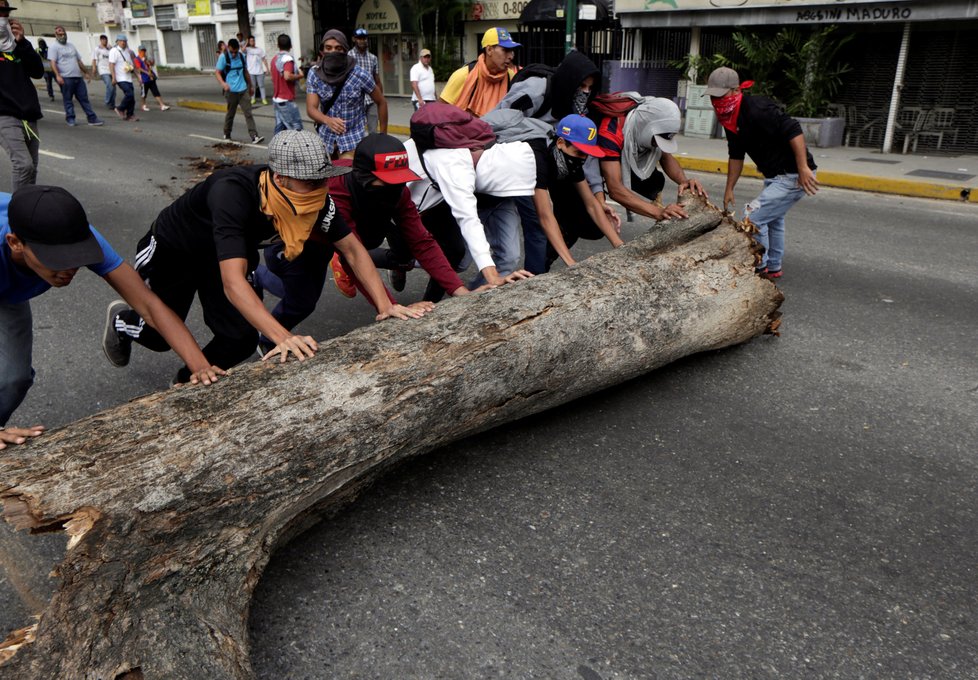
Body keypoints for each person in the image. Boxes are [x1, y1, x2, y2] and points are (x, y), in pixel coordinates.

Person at [106, 130, 424, 385]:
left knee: (241, 339)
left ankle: (188, 384)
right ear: (280, 177)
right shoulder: (231, 193)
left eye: (322, 180)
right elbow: (233, 284)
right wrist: (282, 337)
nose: (319, 189)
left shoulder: (318, 201)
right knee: (159, 336)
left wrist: (387, 306)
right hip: (174, 252)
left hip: (226, 256)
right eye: (310, 182)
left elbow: (352, 249)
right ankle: (123, 320)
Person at [0, 185, 223, 449]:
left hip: (9, 293)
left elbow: (149, 305)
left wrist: (200, 367)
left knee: (13, 378)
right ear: (15, 242)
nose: (69, 269)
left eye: (76, 258)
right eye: (57, 259)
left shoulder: (74, 233)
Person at [253, 134, 475, 351]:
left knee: (302, 294)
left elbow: (422, 241)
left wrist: (460, 291)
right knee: (300, 300)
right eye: (386, 183)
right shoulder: (336, 191)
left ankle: (262, 282)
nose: (394, 190)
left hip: (333, 244)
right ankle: (266, 330)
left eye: (399, 181)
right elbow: (353, 256)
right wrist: (389, 308)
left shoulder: (396, 191)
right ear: (363, 176)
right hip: (294, 241)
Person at [493, 49, 604, 273]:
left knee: (582, 217)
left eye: (590, 88)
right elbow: (502, 120)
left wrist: (599, 196)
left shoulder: (579, 109)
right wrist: (541, 137)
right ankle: (534, 277)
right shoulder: (536, 89)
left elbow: (586, 155)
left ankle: (542, 266)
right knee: (537, 221)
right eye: (581, 86)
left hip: (550, 160)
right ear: (570, 80)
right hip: (518, 159)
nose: (585, 92)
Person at [706, 66, 819, 279]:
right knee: (773, 220)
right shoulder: (729, 118)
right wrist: (729, 188)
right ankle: (773, 267)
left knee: (752, 217)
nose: (716, 101)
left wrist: (803, 167)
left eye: (721, 96)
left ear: (736, 90)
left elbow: (793, 129)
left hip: (793, 175)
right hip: (775, 176)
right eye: (713, 96)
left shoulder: (757, 108)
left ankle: (759, 268)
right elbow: (736, 155)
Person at [305, 29, 387, 158]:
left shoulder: (359, 74)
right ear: (322, 51)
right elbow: (311, 108)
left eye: (338, 48)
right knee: (327, 177)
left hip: (352, 139)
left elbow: (381, 102)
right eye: (328, 48)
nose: (333, 52)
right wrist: (327, 120)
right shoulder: (314, 74)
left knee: (348, 174)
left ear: (345, 51)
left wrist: (383, 137)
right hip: (326, 139)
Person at [0, 0, 43, 192]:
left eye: (4, 13)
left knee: (32, 168)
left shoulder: (17, 43)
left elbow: (37, 71)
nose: (2, 17)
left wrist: (22, 42)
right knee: (23, 165)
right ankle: (16, 213)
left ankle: (27, 211)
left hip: (28, 114)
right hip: (4, 115)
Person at [440, 27, 519, 117]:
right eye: (505, 50)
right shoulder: (463, 76)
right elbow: (440, 113)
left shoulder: (511, 76)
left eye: (512, 51)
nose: (511, 56)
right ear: (489, 50)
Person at [47, 26, 104, 127]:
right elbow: (53, 63)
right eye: (59, 33)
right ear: (56, 35)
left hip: (78, 77)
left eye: (63, 33)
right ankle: (70, 118)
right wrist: (58, 75)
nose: (62, 35)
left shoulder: (71, 46)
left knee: (84, 98)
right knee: (68, 99)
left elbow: (78, 61)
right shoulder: (54, 47)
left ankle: (92, 118)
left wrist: (86, 72)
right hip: (66, 78)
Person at [215, 38, 263, 144]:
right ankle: (227, 134)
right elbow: (217, 72)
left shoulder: (241, 56)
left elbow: (245, 72)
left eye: (235, 52)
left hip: (243, 90)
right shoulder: (224, 57)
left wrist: (251, 86)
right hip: (231, 91)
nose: (233, 54)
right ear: (228, 48)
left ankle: (254, 136)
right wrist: (223, 84)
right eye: (231, 52)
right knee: (230, 114)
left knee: (248, 113)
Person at [351, 27, 383, 134]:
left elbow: (377, 79)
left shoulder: (373, 58)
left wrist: (380, 100)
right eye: (359, 38)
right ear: (354, 39)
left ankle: (372, 150)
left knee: (373, 131)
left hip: (371, 99)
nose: (362, 41)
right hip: (355, 100)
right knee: (356, 132)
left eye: (364, 38)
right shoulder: (349, 57)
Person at [270, 34, 303, 134]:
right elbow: (287, 76)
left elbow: (273, 78)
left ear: (278, 45)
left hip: (276, 99)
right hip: (286, 100)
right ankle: (299, 149)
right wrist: (300, 76)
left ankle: (276, 148)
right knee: (296, 128)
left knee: (280, 129)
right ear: (291, 46)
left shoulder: (274, 59)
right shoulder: (287, 59)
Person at [108, 34, 138, 121]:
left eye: (124, 41)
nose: (123, 43)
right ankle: (120, 108)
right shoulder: (114, 51)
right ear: (117, 42)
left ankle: (130, 115)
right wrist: (113, 77)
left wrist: (138, 77)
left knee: (132, 98)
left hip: (128, 77)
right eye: (121, 41)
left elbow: (131, 65)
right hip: (120, 78)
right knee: (129, 94)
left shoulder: (127, 51)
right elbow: (111, 65)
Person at [134, 45, 171, 112]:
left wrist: (150, 62)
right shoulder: (137, 59)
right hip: (144, 79)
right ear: (139, 51)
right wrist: (147, 73)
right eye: (142, 51)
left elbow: (151, 65)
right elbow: (139, 68)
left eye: (144, 51)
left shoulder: (146, 58)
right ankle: (143, 105)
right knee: (144, 94)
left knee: (156, 91)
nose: (143, 52)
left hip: (151, 78)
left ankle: (162, 105)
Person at [91, 34, 115, 110]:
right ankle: (107, 101)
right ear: (100, 40)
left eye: (106, 39)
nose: (105, 41)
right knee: (109, 85)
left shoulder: (110, 49)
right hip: (103, 70)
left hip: (111, 70)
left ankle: (112, 103)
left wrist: (112, 48)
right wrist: (94, 68)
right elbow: (94, 59)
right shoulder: (97, 49)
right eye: (103, 40)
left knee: (113, 87)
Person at [245, 35, 268, 105]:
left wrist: (267, 69)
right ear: (249, 42)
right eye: (251, 41)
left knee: (261, 86)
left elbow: (264, 59)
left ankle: (263, 99)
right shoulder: (247, 49)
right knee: (253, 86)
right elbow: (242, 50)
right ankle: (253, 99)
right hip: (251, 71)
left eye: (253, 40)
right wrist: (246, 43)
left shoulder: (260, 50)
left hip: (259, 71)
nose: (253, 42)